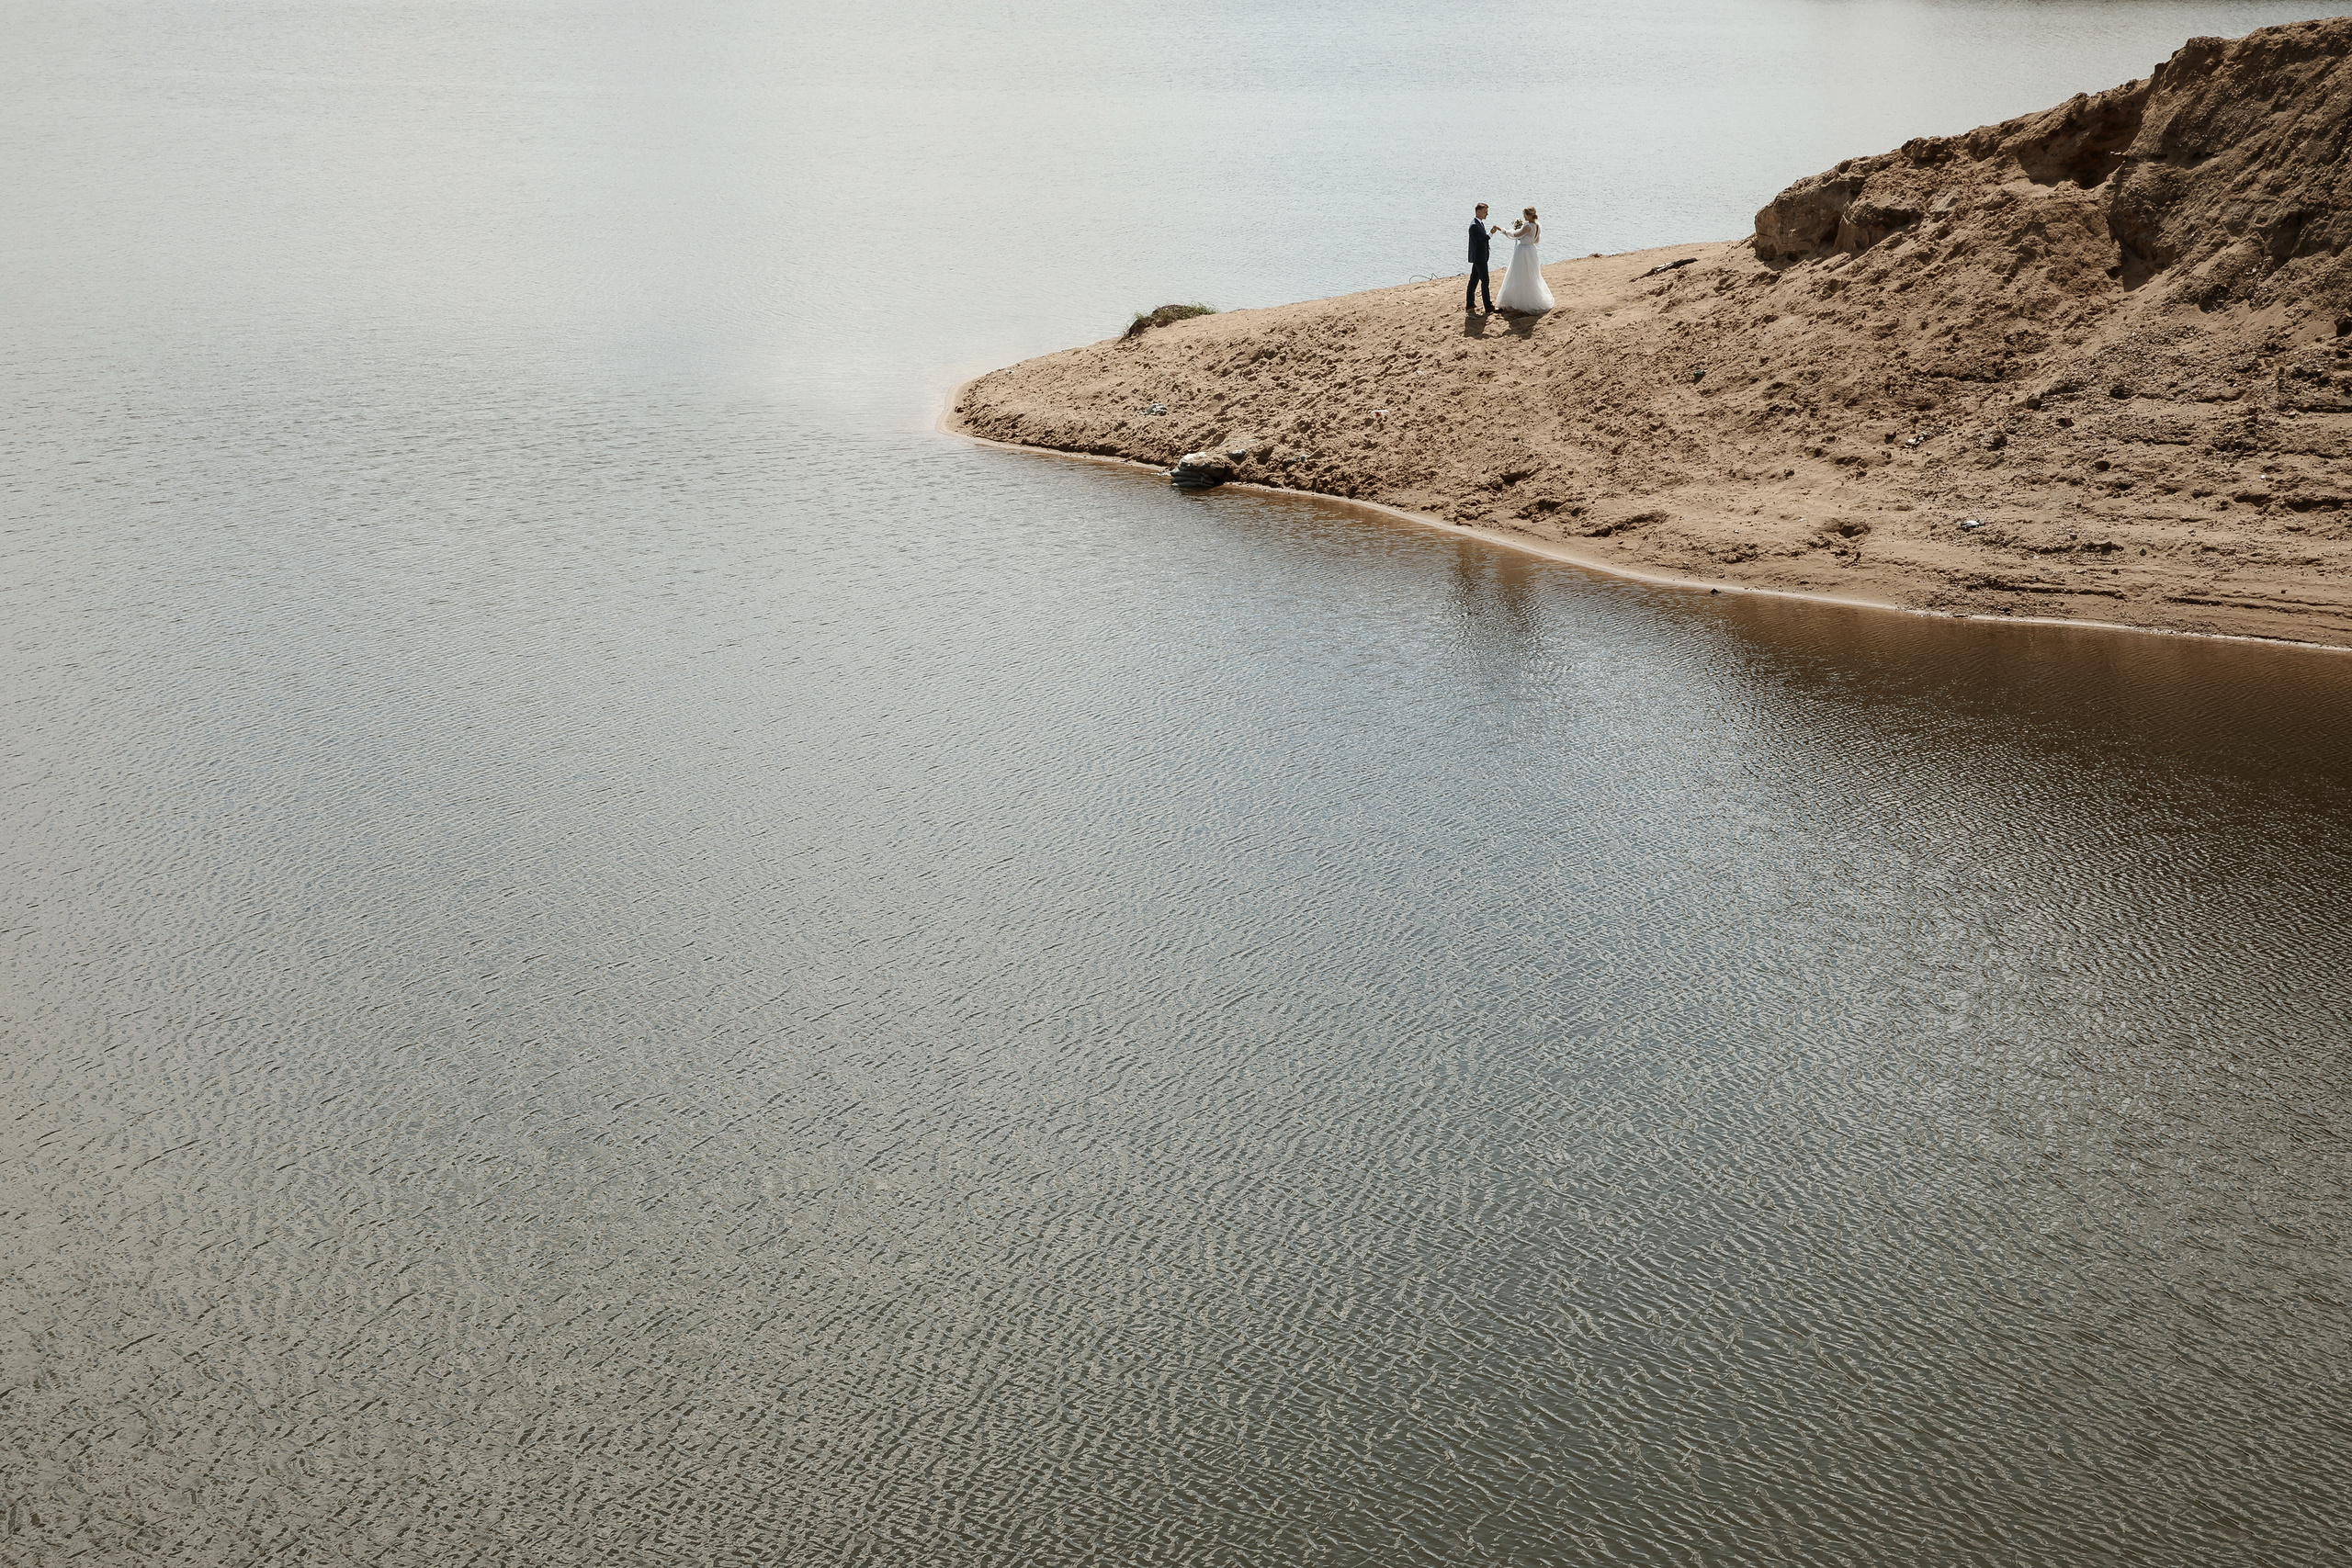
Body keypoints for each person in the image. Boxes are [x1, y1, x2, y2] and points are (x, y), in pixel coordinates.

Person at [1494, 207, 1554, 314]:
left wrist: (1503, 230)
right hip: (1532, 251)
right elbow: (1537, 241)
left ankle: (1521, 301)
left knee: (1520, 274)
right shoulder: (1538, 225)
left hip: (1523, 251)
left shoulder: (1527, 226)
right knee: (1531, 275)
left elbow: (1516, 235)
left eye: (1525, 215)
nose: (1524, 217)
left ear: (1529, 215)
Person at [1465, 204, 1497, 314]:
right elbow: (1478, 241)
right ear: (1478, 211)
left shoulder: (1479, 223)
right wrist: (1490, 234)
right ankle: (1488, 306)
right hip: (1479, 258)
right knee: (1485, 281)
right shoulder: (1474, 225)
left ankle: (1470, 303)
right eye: (1485, 211)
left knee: (1473, 280)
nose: (1487, 214)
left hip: (1480, 257)